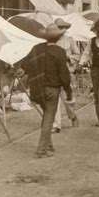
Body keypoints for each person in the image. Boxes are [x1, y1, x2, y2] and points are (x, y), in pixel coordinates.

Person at [23, 23, 72, 158]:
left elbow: (26, 66)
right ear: (57, 38)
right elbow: (64, 75)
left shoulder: (36, 49)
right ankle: (41, 150)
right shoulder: (60, 52)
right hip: (52, 89)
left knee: (46, 116)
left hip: (38, 88)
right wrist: (68, 90)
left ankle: (49, 146)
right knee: (49, 118)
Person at [77, 19, 99, 127]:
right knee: (96, 93)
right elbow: (86, 53)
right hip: (95, 69)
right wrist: (80, 64)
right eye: (97, 31)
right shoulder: (91, 41)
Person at [52, 18, 80, 132]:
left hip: (67, 72)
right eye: (57, 28)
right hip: (54, 73)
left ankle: (72, 115)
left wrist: (69, 57)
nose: (59, 30)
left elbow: (77, 55)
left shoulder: (69, 40)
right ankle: (56, 125)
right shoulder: (51, 41)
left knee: (66, 98)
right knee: (55, 99)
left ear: (64, 29)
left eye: (61, 28)